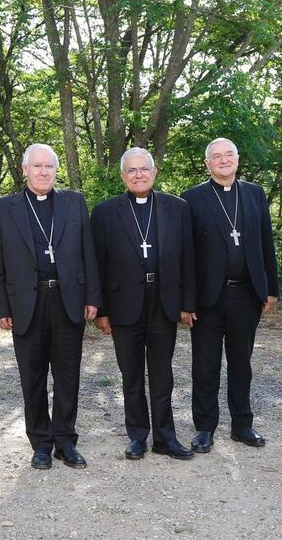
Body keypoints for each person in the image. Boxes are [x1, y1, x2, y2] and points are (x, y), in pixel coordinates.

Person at [0, 144, 101, 470]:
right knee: (32, 377)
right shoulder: (2, 209)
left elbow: (88, 252)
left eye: (49, 166)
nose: (43, 172)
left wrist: (93, 296)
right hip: (27, 302)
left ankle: (66, 441)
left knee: (68, 376)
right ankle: (40, 442)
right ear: (24, 170)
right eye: (36, 166)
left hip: (68, 300)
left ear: (55, 170)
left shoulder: (74, 203)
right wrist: (1, 308)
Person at [91, 147, 196, 461]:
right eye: (132, 170)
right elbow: (97, 263)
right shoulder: (105, 212)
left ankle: (166, 437)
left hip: (164, 301)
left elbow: (189, 258)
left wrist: (187, 303)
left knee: (162, 373)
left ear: (155, 172)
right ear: (123, 176)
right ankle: (137, 435)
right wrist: (102, 310)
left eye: (144, 169)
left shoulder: (177, 208)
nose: (139, 175)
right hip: (124, 304)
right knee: (131, 373)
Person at [180, 138, 279, 453]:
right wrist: (187, 301)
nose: (223, 160)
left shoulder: (254, 194)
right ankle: (205, 428)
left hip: (246, 293)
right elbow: (185, 254)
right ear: (207, 164)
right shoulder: (192, 197)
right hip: (208, 298)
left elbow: (266, 242)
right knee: (205, 365)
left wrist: (271, 289)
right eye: (216, 156)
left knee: (242, 363)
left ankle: (242, 425)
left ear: (238, 159)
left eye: (229, 155)